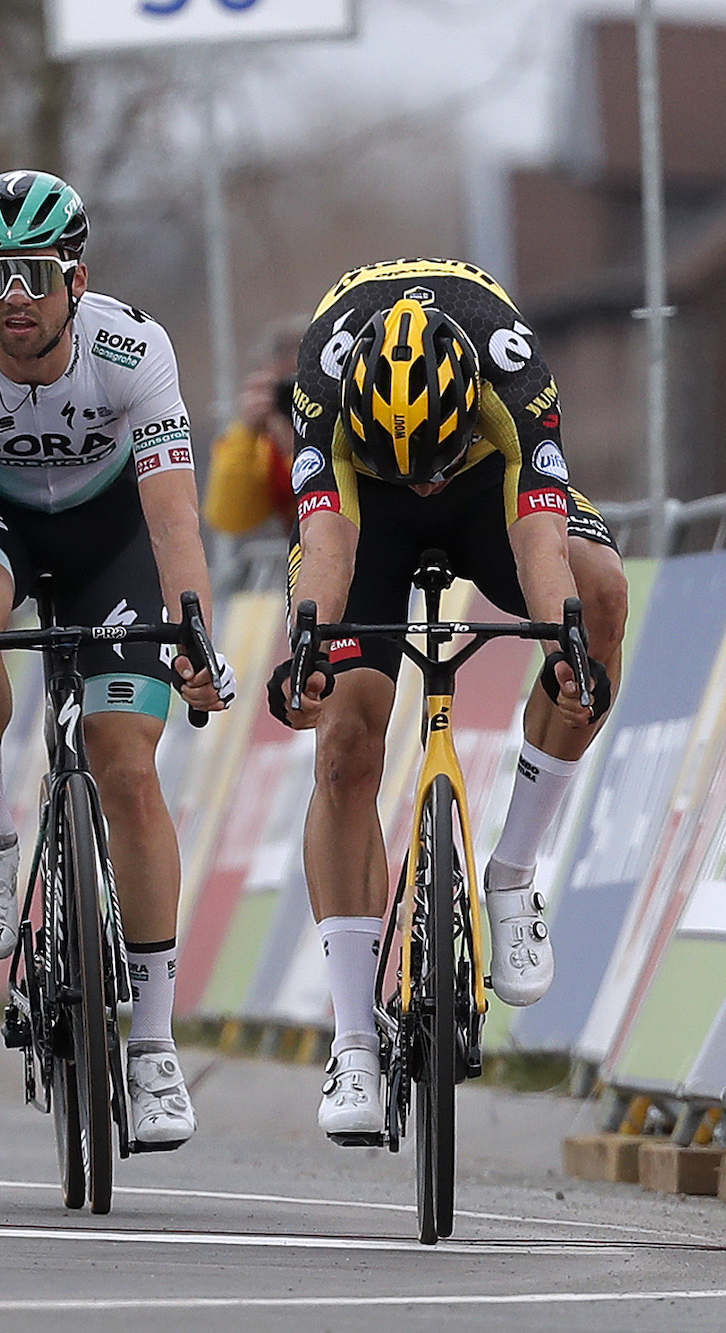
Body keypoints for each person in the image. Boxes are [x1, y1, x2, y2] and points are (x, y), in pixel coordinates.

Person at [0, 170, 234, 1151]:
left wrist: (195, 636)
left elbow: (173, 516)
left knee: (127, 763)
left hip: (109, 534)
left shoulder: (134, 347)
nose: (11, 297)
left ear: (74, 280)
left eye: (32, 275)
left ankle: (154, 1046)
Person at [271, 257, 630, 1143]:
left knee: (602, 596)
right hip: (367, 512)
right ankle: (354, 1034)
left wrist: (567, 641)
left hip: (492, 490)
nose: (422, 478)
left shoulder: (513, 365)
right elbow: (326, 543)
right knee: (347, 744)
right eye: (411, 467)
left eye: (429, 460)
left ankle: (510, 875)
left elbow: (541, 543)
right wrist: (306, 647)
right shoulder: (321, 379)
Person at [202, 322, 305, 537]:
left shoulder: (355, 423)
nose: (295, 395)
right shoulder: (265, 447)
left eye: (301, 381)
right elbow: (229, 518)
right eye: (285, 385)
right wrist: (247, 431)